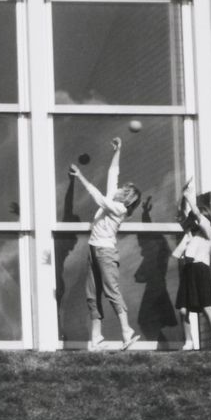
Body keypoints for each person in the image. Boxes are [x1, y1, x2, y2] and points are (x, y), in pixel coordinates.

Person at [68, 136, 142, 351]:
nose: (119, 188)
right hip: (94, 249)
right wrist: (118, 150)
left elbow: (98, 198)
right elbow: (113, 174)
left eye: (123, 190)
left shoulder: (120, 209)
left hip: (105, 252)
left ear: (126, 197)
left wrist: (80, 176)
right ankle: (96, 338)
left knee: (111, 291)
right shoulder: (114, 197)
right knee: (92, 293)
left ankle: (127, 332)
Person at [172, 177, 211, 351]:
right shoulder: (190, 234)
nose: (194, 220)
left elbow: (197, 214)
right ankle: (189, 341)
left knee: (207, 308)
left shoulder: (209, 231)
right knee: (184, 310)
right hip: (189, 270)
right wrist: (183, 197)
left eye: (197, 217)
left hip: (201, 270)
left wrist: (190, 197)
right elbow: (180, 215)